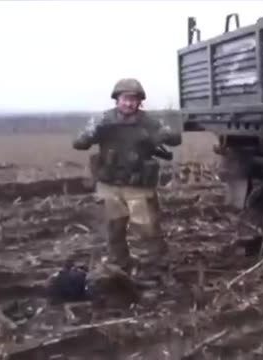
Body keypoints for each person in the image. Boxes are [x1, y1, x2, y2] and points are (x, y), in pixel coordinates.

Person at [72, 78, 182, 273]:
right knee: (114, 229)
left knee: (147, 229)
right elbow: (79, 143)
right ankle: (119, 265)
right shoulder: (104, 120)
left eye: (134, 99)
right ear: (117, 99)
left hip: (138, 186)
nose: (129, 103)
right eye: (125, 98)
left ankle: (156, 267)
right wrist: (91, 133)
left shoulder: (149, 121)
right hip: (110, 184)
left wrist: (160, 135)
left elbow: (174, 138)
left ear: (140, 102)